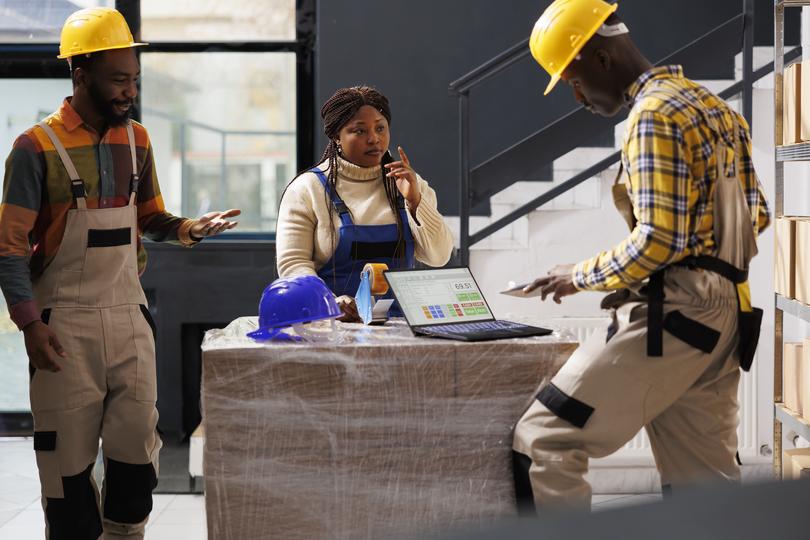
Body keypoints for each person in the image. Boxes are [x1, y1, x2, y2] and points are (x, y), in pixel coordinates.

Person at [511, 0, 770, 512]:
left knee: (544, 437)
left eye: (573, 79)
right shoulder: (711, 105)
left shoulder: (650, 117)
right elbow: (755, 215)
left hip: (675, 314)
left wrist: (576, 275)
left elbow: (659, 241)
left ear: (599, 58)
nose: (577, 95)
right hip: (726, 316)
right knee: (705, 485)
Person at [0, 8, 239, 538]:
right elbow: (10, 248)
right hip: (63, 327)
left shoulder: (138, 141)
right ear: (80, 74)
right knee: (66, 472)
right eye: (118, 79)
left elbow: (149, 218)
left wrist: (188, 229)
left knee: (136, 463)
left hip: (129, 320)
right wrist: (30, 325)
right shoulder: (33, 150)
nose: (129, 90)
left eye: (134, 79)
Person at [276, 86, 454, 321]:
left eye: (380, 128)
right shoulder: (307, 189)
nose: (374, 138)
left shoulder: (409, 185)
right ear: (337, 137)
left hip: (403, 330)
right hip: (332, 325)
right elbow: (293, 264)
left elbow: (439, 257)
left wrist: (415, 201)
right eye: (359, 131)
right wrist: (329, 301)